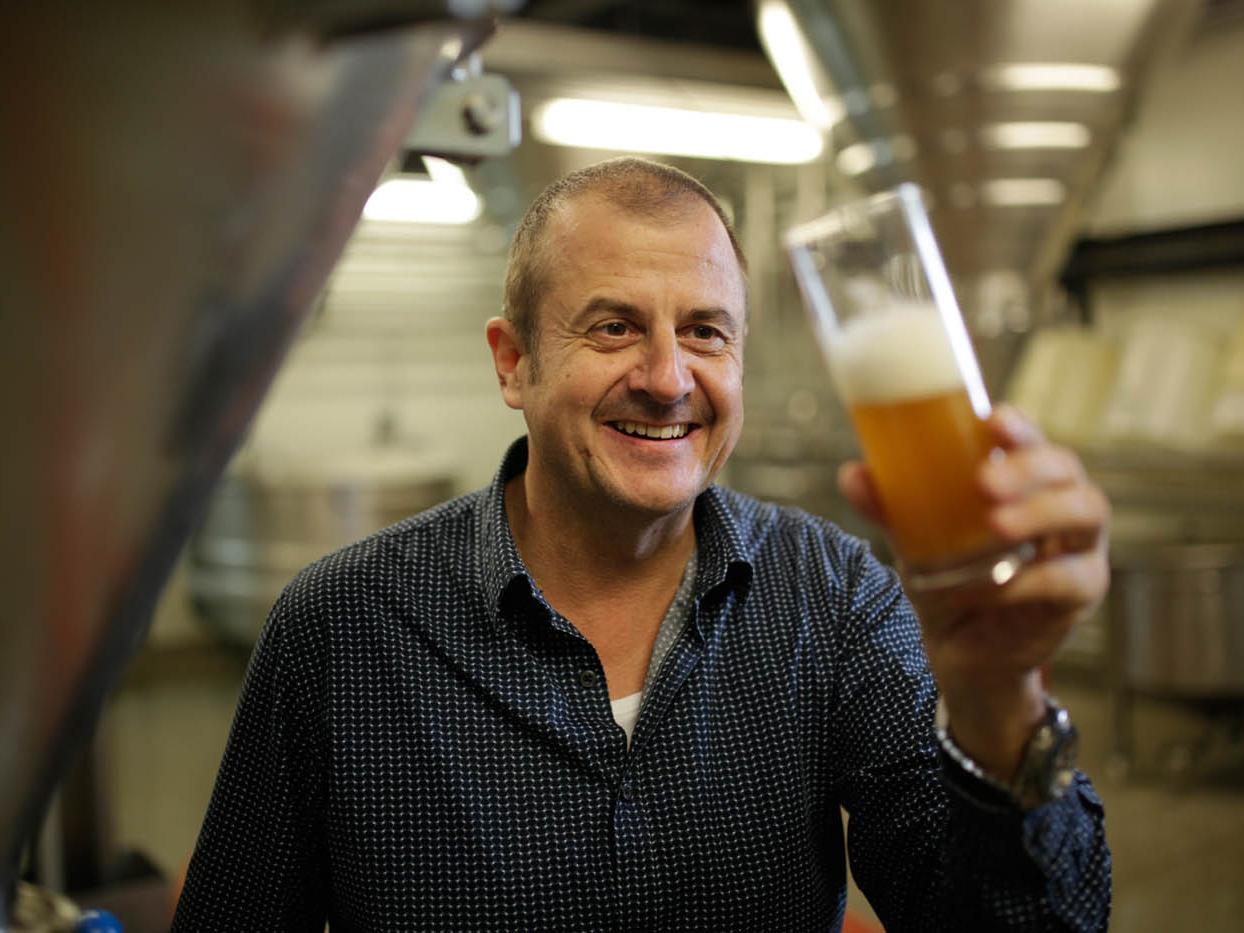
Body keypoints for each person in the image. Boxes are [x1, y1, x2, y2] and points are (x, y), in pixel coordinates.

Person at [173, 158, 1112, 931]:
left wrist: (1000, 702)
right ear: (514, 361)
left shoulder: (834, 596)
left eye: (705, 332)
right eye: (614, 326)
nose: (668, 379)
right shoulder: (340, 627)